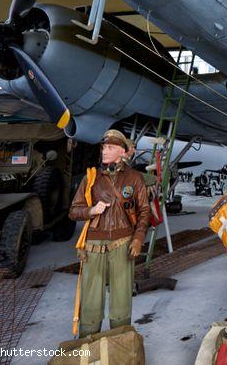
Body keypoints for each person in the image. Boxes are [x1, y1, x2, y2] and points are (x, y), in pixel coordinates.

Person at [69, 129, 150, 338]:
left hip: (123, 244)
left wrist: (139, 238)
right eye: (104, 147)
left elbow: (144, 212)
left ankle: (120, 344)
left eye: (111, 148)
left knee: (121, 299)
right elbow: (73, 211)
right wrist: (90, 210)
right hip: (93, 247)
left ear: (122, 152)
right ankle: (88, 343)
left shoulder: (134, 178)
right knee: (91, 300)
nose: (105, 151)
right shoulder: (91, 178)